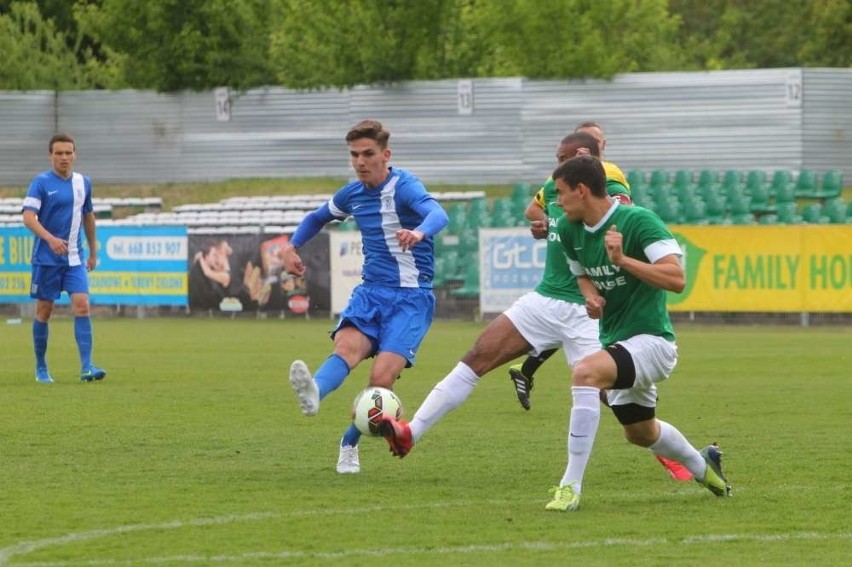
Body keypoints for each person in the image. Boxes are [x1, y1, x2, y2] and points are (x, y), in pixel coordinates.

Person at [371, 132, 622, 458]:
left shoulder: (612, 181)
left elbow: (617, 220)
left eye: (562, 159)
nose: (556, 166)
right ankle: (410, 433)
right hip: (543, 300)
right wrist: (546, 225)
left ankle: (673, 451)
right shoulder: (553, 187)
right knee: (478, 355)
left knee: (612, 395)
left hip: (583, 309)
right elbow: (541, 214)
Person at [544, 154, 730, 509]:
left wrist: (624, 261)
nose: (556, 201)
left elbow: (676, 279)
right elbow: (580, 272)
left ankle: (569, 487)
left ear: (581, 190)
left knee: (584, 372)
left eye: (560, 192)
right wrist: (590, 297)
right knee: (641, 433)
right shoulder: (570, 229)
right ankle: (703, 465)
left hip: (654, 343)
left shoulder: (638, 221)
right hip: (617, 342)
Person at [281, 119, 448, 474]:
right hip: (371, 292)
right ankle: (314, 392)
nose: (360, 161)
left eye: (368, 154)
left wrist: (418, 232)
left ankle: (348, 445)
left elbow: (438, 213)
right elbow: (317, 217)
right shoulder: (352, 194)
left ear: (385, 155)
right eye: (354, 155)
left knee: (381, 381)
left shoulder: (404, 187)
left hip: (410, 299)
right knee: (345, 350)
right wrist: (291, 246)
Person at [508, 121, 630, 410]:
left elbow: (622, 208)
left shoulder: (607, 171)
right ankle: (626, 396)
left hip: (584, 266)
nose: (597, 143)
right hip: (581, 267)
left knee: (574, 332)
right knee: (591, 330)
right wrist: (553, 223)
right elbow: (533, 210)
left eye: (599, 139)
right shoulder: (565, 179)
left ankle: (526, 370)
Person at [21, 133, 106, 384]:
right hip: (46, 259)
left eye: (68, 152)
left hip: (74, 259)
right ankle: (41, 368)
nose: (64, 157)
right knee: (44, 311)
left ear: (75, 154)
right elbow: (28, 217)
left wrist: (93, 251)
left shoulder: (83, 183)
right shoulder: (40, 182)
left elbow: (88, 216)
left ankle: (87, 367)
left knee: (82, 305)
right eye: (59, 153)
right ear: (50, 156)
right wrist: (50, 238)